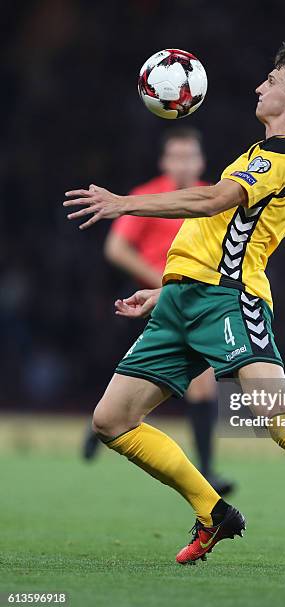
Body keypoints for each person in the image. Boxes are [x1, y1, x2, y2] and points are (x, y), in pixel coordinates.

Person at [64, 41, 285, 573]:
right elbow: (216, 230)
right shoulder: (259, 152)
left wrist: (124, 203)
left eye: (270, 79)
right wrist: (168, 286)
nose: (258, 86)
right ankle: (212, 511)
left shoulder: (283, 157)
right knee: (112, 420)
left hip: (227, 301)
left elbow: (211, 201)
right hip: (185, 298)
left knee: (279, 417)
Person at [82, 127, 234, 496]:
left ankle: (207, 471)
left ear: (201, 160)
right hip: (150, 297)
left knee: (201, 382)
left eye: (189, 156)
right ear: (164, 161)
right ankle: (102, 426)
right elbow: (116, 248)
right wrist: (163, 282)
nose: (183, 163)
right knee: (161, 379)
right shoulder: (146, 196)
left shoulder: (211, 198)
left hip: (190, 299)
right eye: (176, 156)